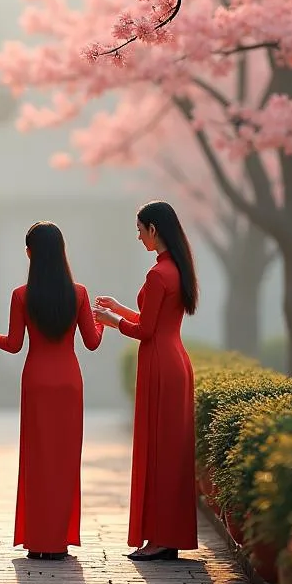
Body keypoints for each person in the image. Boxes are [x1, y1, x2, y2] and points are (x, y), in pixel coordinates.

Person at [0, 221, 101, 560]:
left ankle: (38, 541)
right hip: (70, 382)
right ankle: (59, 541)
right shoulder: (80, 293)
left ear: (29, 253)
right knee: (65, 460)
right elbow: (92, 342)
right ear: (62, 252)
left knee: (38, 459)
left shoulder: (21, 295)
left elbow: (14, 345)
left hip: (36, 382)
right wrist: (101, 319)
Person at [92, 200, 199, 562]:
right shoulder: (176, 269)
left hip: (157, 364)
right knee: (172, 452)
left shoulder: (157, 275)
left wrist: (110, 321)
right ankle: (167, 535)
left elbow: (145, 329)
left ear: (154, 229)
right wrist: (119, 308)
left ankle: (159, 537)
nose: (138, 237)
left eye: (140, 230)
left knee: (158, 451)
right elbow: (155, 319)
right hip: (175, 360)